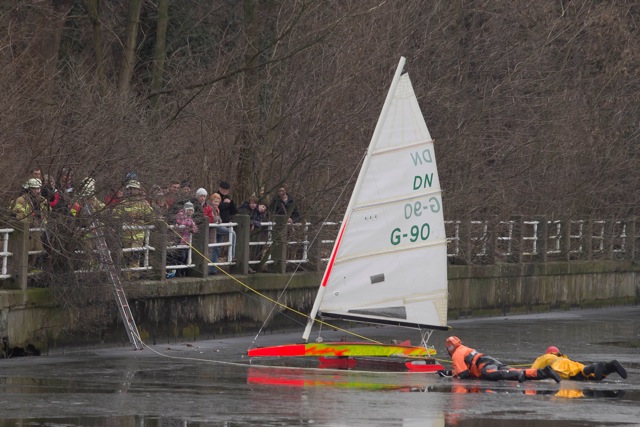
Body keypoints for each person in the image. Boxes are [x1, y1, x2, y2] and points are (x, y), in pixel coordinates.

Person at [441, 336, 561, 382]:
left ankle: (518, 374)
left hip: (484, 366)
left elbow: (464, 374)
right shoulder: (463, 348)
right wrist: (446, 372)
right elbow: (462, 369)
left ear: (449, 349)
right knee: (514, 371)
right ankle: (544, 372)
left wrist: (454, 376)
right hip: (489, 360)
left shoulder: (456, 354)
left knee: (492, 374)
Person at [11, 178, 49, 268]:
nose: (37, 191)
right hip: (26, 231)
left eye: (38, 188)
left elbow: (47, 214)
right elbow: (19, 215)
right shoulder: (21, 200)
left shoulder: (43, 200)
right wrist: (32, 222)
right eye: (34, 188)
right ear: (29, 189)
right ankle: (25, 269)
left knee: (38, 252)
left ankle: (35, 269)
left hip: (40, 230)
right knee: (27, 251)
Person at [531, 346, 627, 381]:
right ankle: (610, 366)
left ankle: (596, 366)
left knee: (578, 374)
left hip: (561, 367)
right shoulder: (564, 357)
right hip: (574, 364)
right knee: (590, 375)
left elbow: (532, 370)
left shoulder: (544, 357)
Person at [214, 181, 237, 261]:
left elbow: (234, 211)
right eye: (223, 189)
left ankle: (212, 268)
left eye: (226, 189)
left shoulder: (228, 198)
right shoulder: (215, 196)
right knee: (232, 234)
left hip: (225, 224)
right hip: (218, 224)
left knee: (217, 247)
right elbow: (216, 207)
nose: (225, 191)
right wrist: (225, 203)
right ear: (220, 188)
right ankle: (231, 256)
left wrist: (230, 202)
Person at [174, 201, 198, 277]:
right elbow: (181, 224)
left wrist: (191, 228)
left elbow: (195, 229)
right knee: (182, 256)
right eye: (189, 210)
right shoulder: (180, 215)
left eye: (191, 210)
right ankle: (178, 271)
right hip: (180, 239)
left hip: (186, 241)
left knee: (186, 257)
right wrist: (189, 226)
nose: (190, 211)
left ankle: (182, 271)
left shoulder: (190, 218)